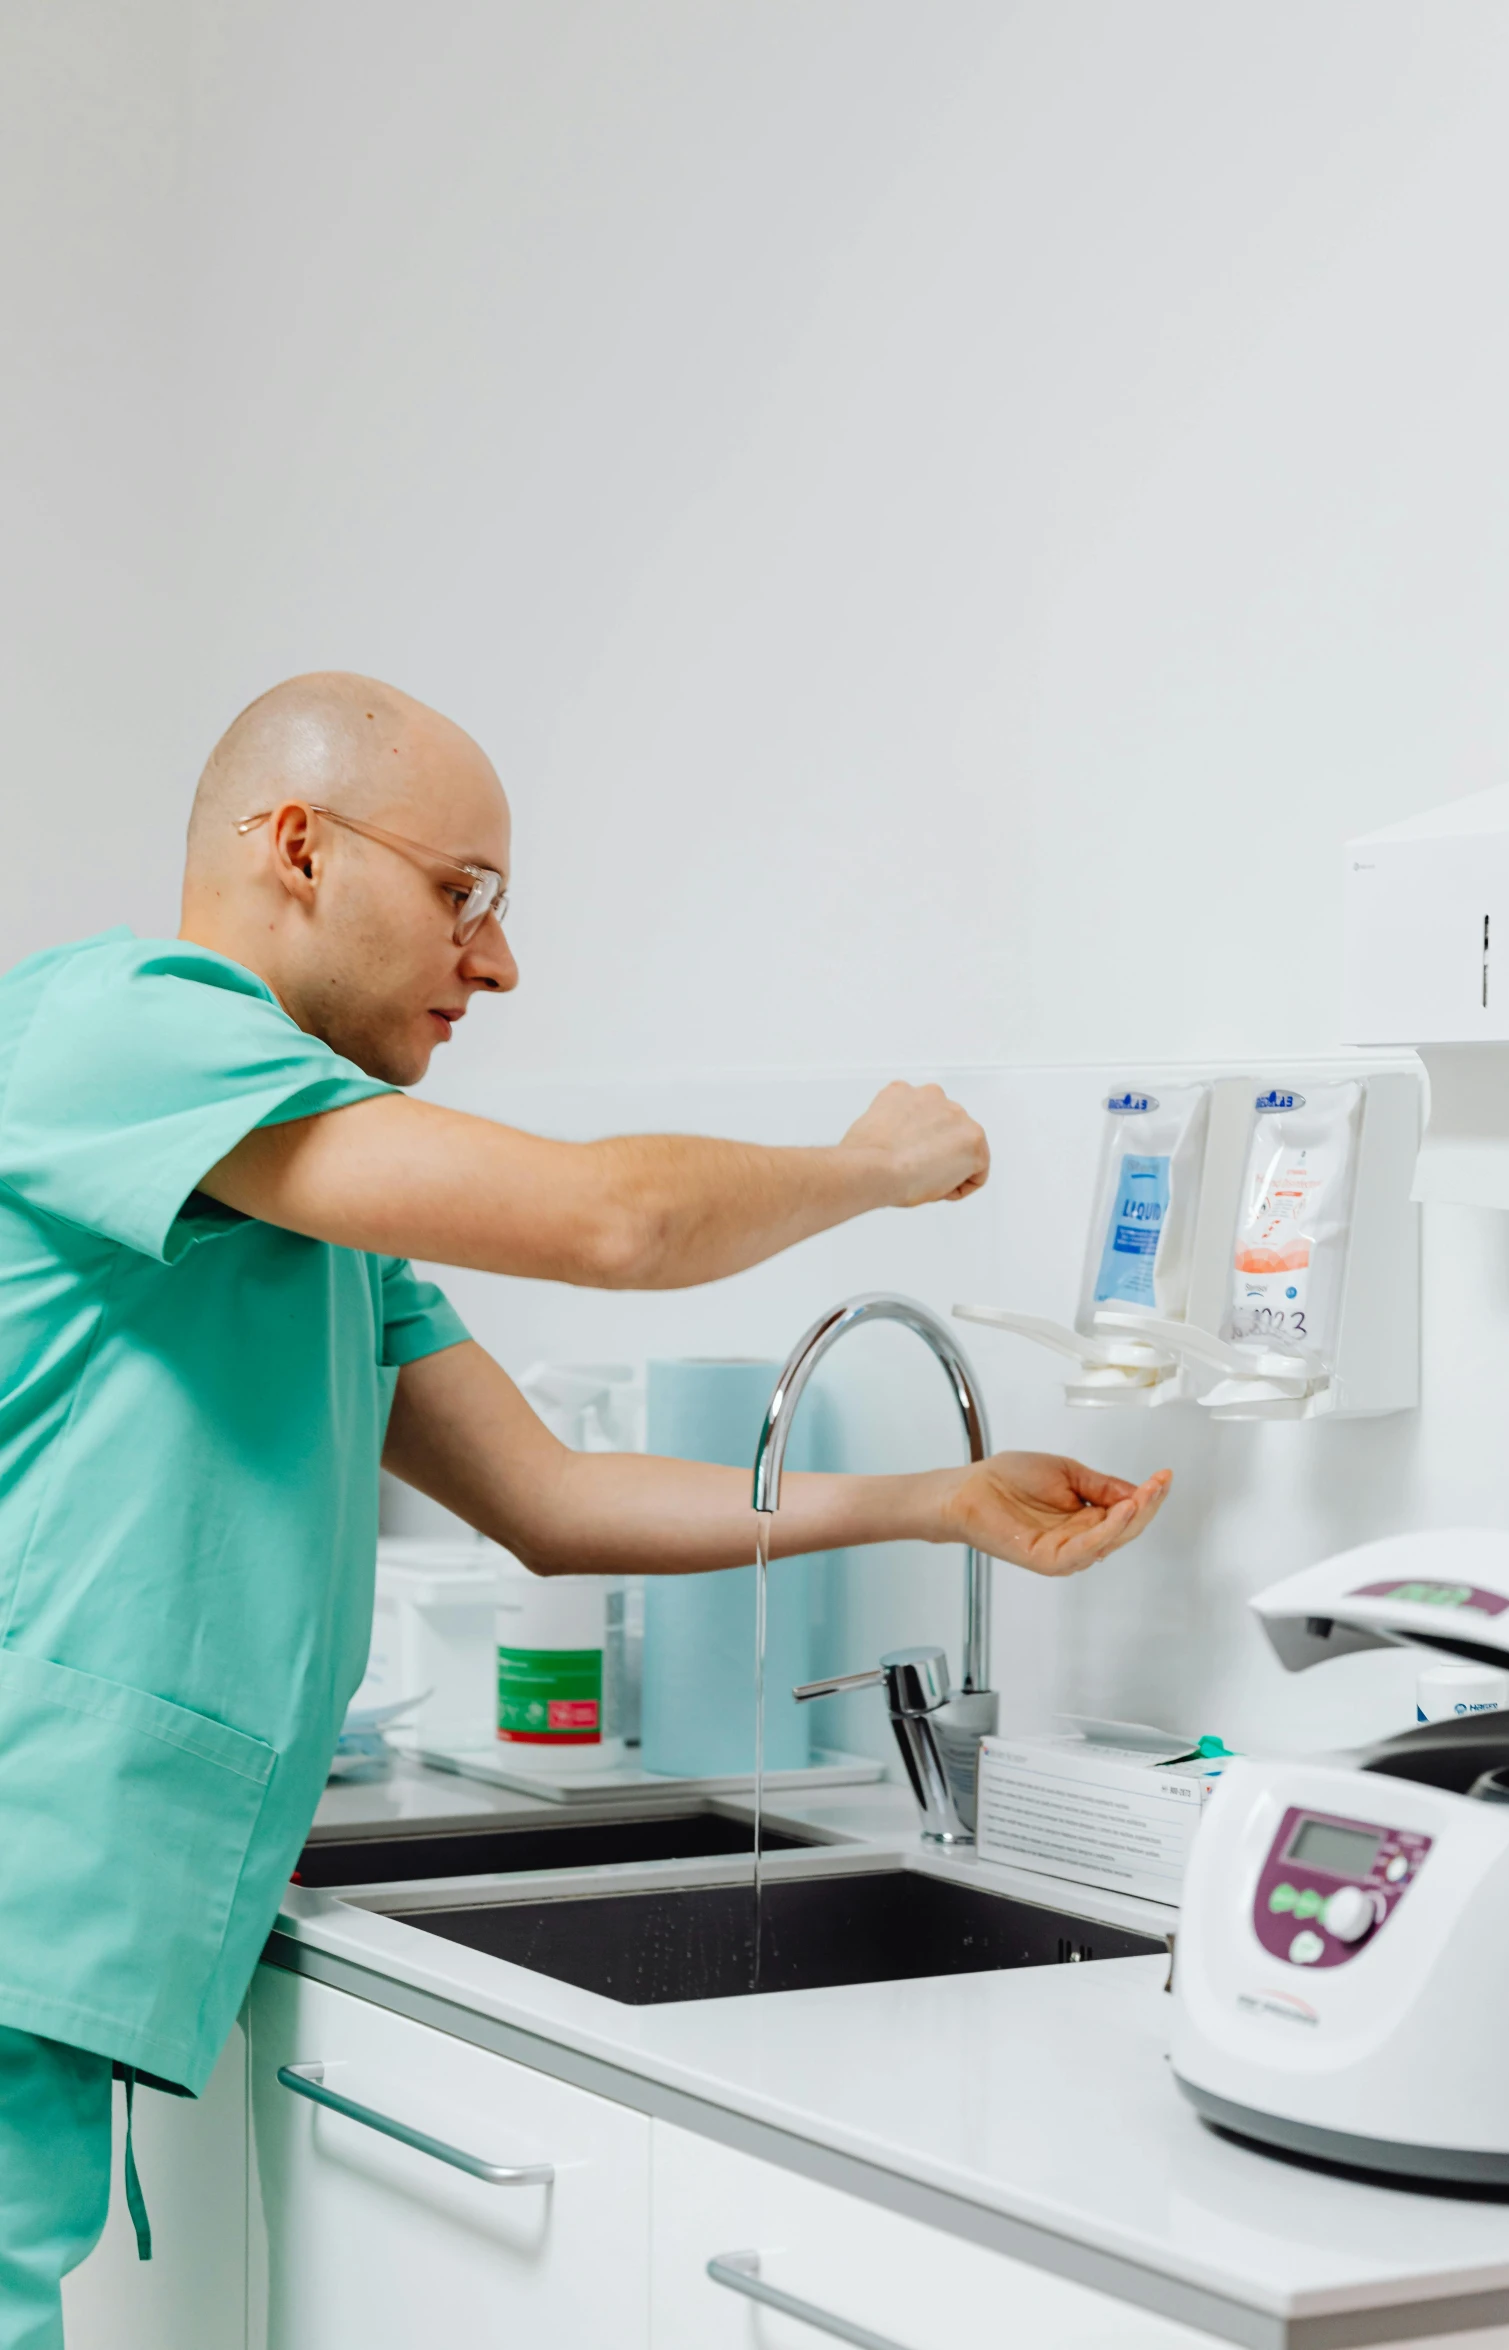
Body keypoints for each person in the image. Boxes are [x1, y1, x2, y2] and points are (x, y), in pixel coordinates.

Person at [0, 672, 1170, 2344]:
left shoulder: (310, 1194)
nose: (496, 958)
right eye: (461, 892)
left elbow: (548, 1495)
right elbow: (612, 1224)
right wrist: (872, 1165)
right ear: (294, 845)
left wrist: (936, 1497)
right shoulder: (125, 1028)